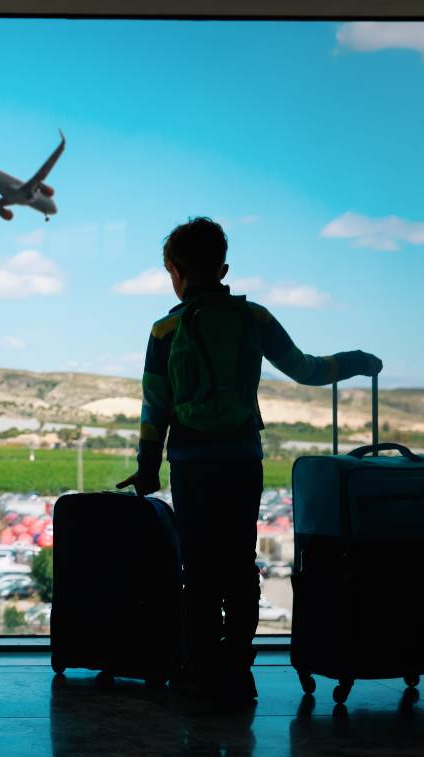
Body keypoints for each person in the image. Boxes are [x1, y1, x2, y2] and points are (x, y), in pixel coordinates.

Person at [117, 217, 381, 703]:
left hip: (191, 461)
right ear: (223, 267)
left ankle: (198, 667)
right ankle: (238, 665)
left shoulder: (164, 330)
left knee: (197, 567)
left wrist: (148, 464)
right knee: (239, 563)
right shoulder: (253, 318)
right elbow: (306, 369)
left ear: (174, 270)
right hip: (241, 458)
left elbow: (155, 406)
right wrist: (357, 361)